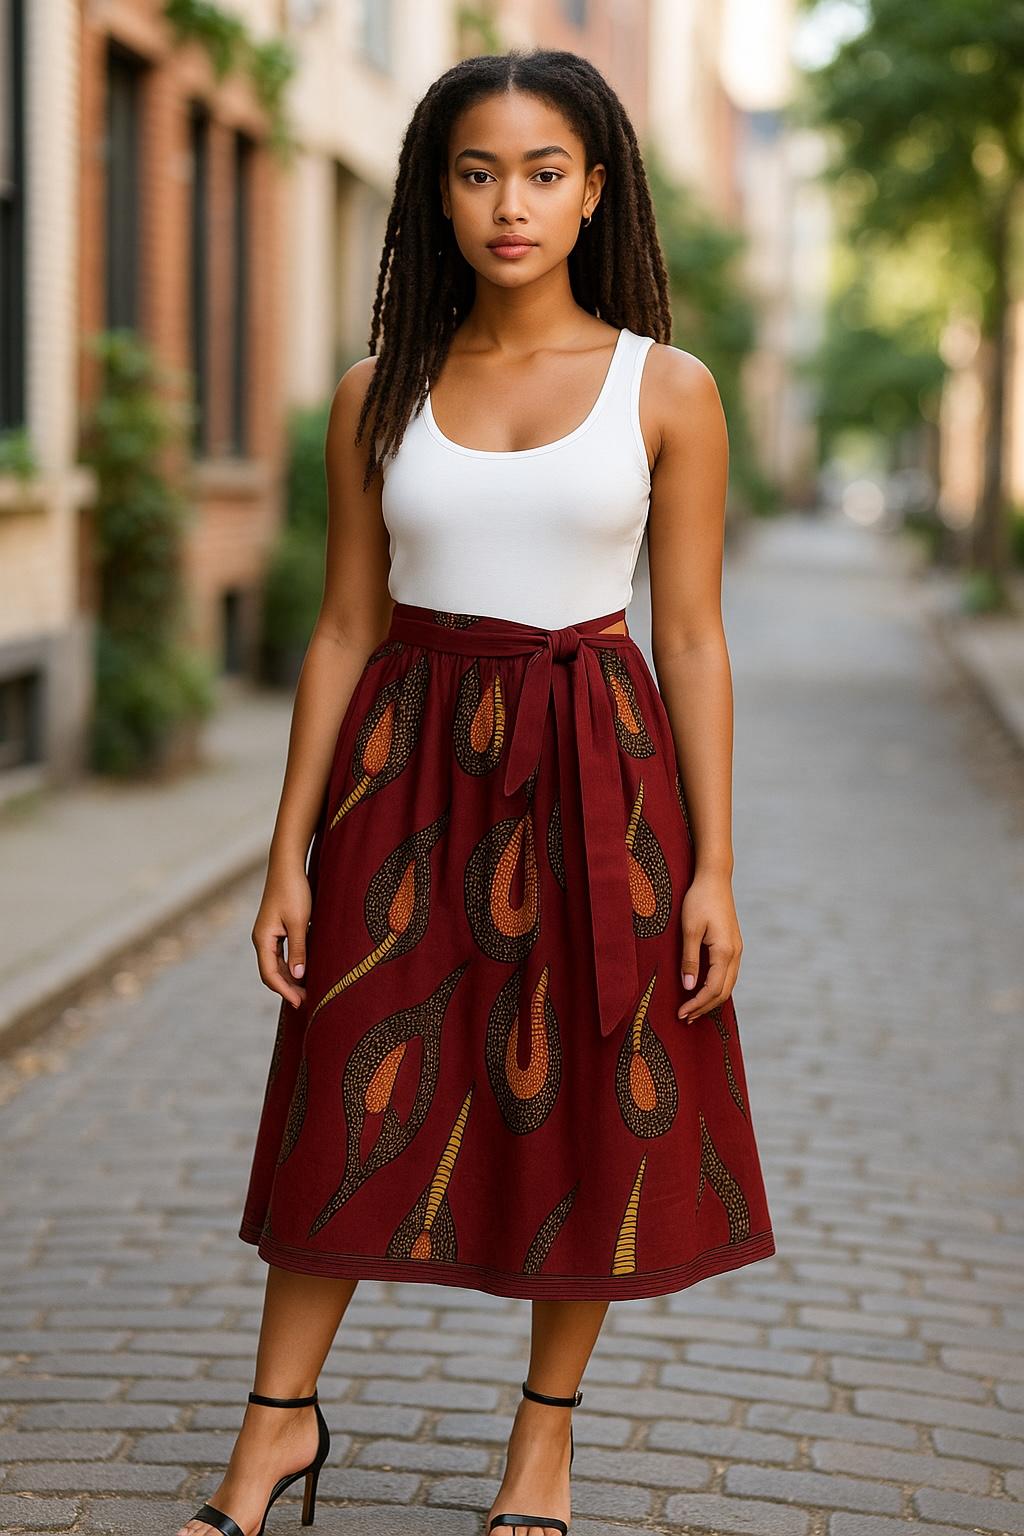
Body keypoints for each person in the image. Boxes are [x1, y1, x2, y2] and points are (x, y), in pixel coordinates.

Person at [178, 46, 776, 1536]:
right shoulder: (375, 392)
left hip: (596, 769)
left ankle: (542, 1453)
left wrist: (709, 868)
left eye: (545, 172)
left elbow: (692, 637)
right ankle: (274, 1435)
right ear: (436, 194)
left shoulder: (670, 389)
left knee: (585, 1106)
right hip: (403, 773)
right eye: (476, 170)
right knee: (343, 1089)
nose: (510, 202)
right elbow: (340, 626)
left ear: (593, 195)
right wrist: (287, 857)